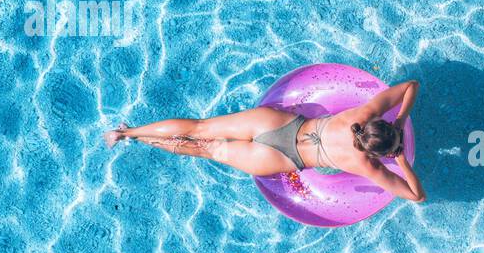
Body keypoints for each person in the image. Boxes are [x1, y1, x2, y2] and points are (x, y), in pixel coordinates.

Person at [105, 79, 425, 202]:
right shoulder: (368, 166)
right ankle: (132, 139)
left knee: (200, 128)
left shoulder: (365, 113)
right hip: (278, 160)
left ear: (376, 125)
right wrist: (401, 160)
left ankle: (126, 130)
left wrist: (398, 119)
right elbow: (416, 196)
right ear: (378, 152)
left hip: (279, 123)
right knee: (205, 149)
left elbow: (411, 85)